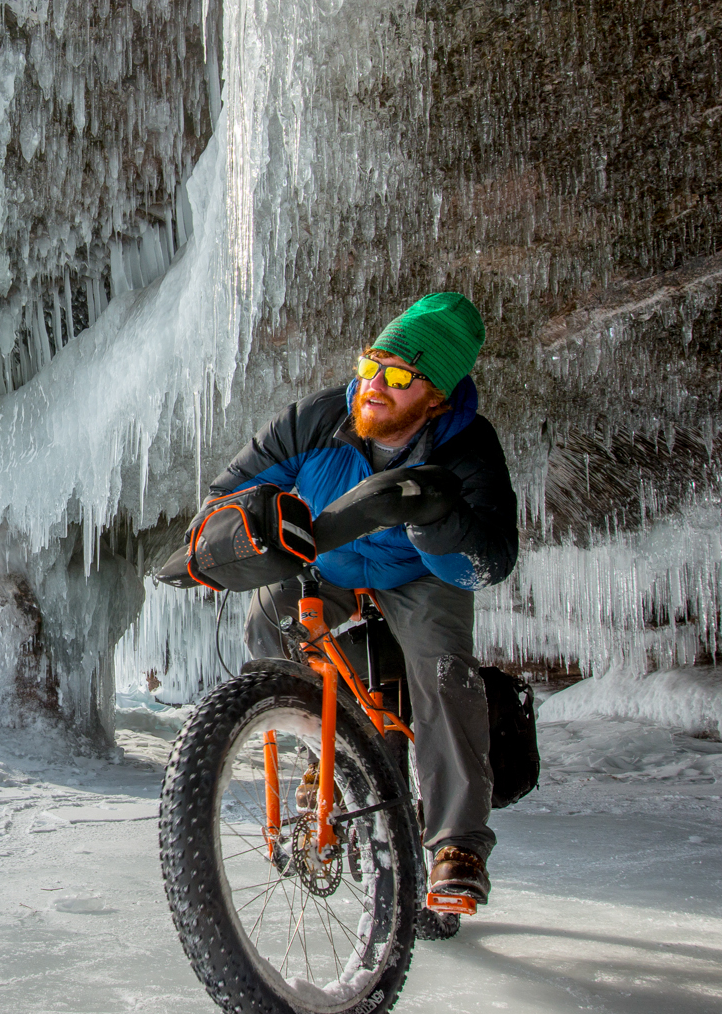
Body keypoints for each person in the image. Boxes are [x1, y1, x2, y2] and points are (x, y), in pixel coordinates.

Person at [207, 292, 518, 904]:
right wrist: (227, 541)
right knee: (269, 626)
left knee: (444, 669)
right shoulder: (316, 420)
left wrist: (433, 519)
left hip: (421, 573)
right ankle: (319, 750)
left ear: (438, 396)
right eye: (371, 363)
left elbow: (488, 559)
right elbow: (231, 493)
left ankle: (456, 843)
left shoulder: (468, 447)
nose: (376, 383)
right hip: (330, 563)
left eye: (400, 375)